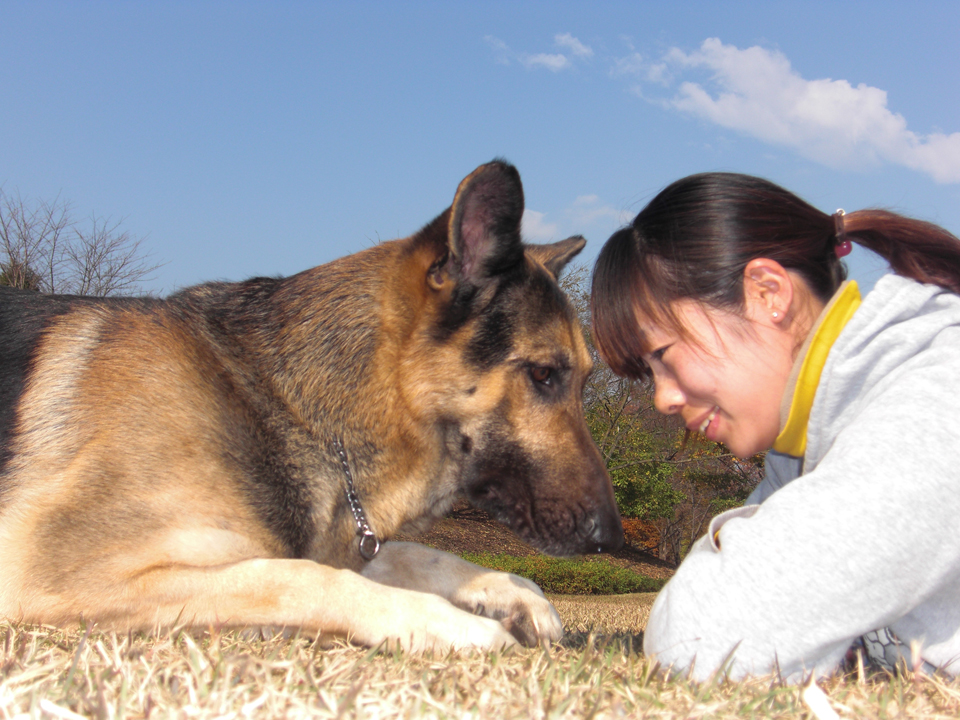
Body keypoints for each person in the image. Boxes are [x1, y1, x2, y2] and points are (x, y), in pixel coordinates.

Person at [590, 172, 960, 682]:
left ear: (767, 293)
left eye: (664, 356)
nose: (663, 400)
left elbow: (704, 639)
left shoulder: (934, 399)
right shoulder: (802, 451)